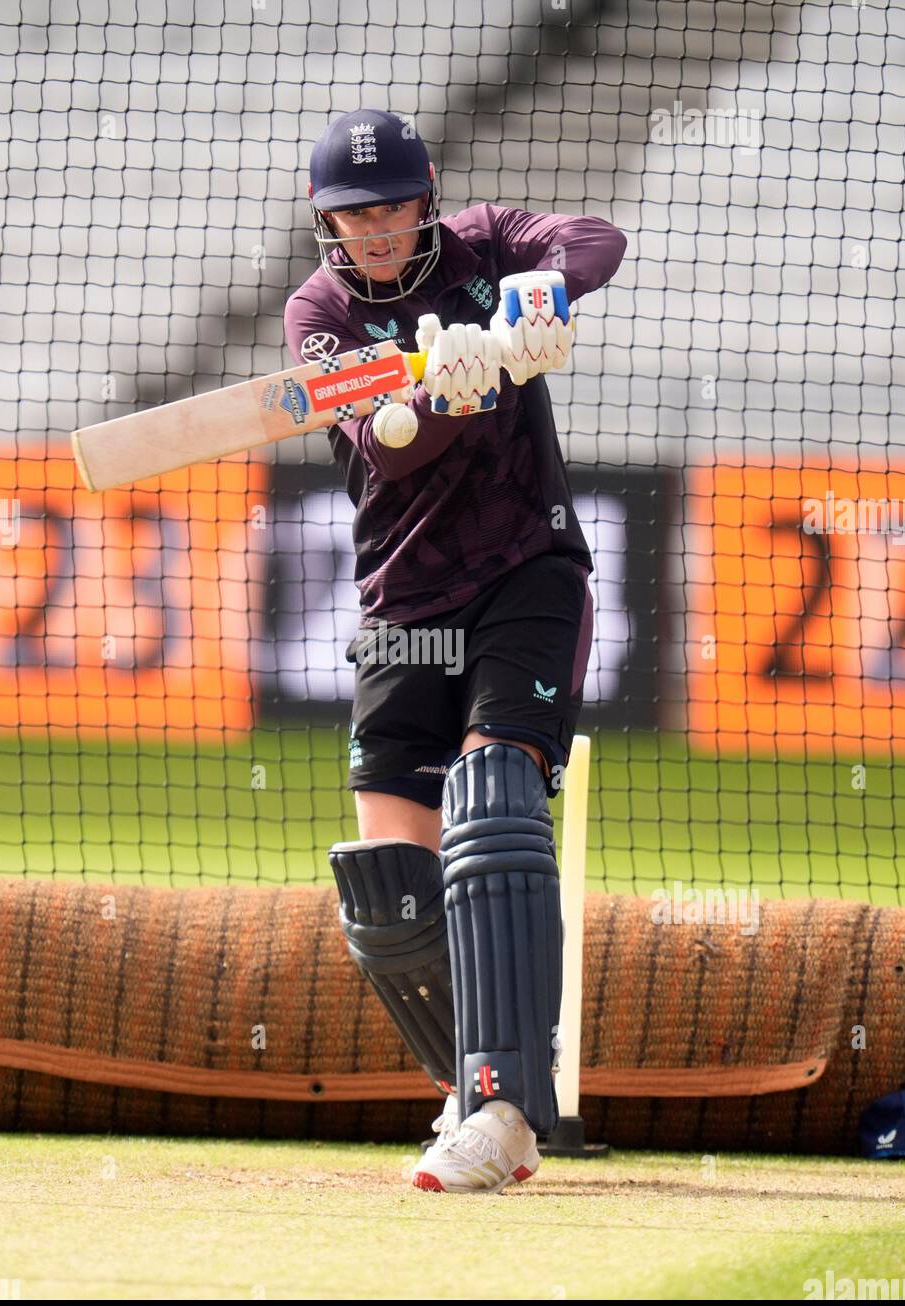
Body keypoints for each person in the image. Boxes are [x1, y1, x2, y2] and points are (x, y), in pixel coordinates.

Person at [283, 108, 626, 1193]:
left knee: (491, 799)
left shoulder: (482, 243)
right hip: (401, 599)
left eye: (392, 209)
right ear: (324, 223)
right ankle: (478, 1087)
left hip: (525, 568)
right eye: (353, 216)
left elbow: (596, 238)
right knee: (390, 894)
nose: (376, 233)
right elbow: (383, 453)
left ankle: (500, 1106)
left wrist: (534, 305)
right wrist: (434, 389)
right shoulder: (321, 310)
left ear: (424, 200)